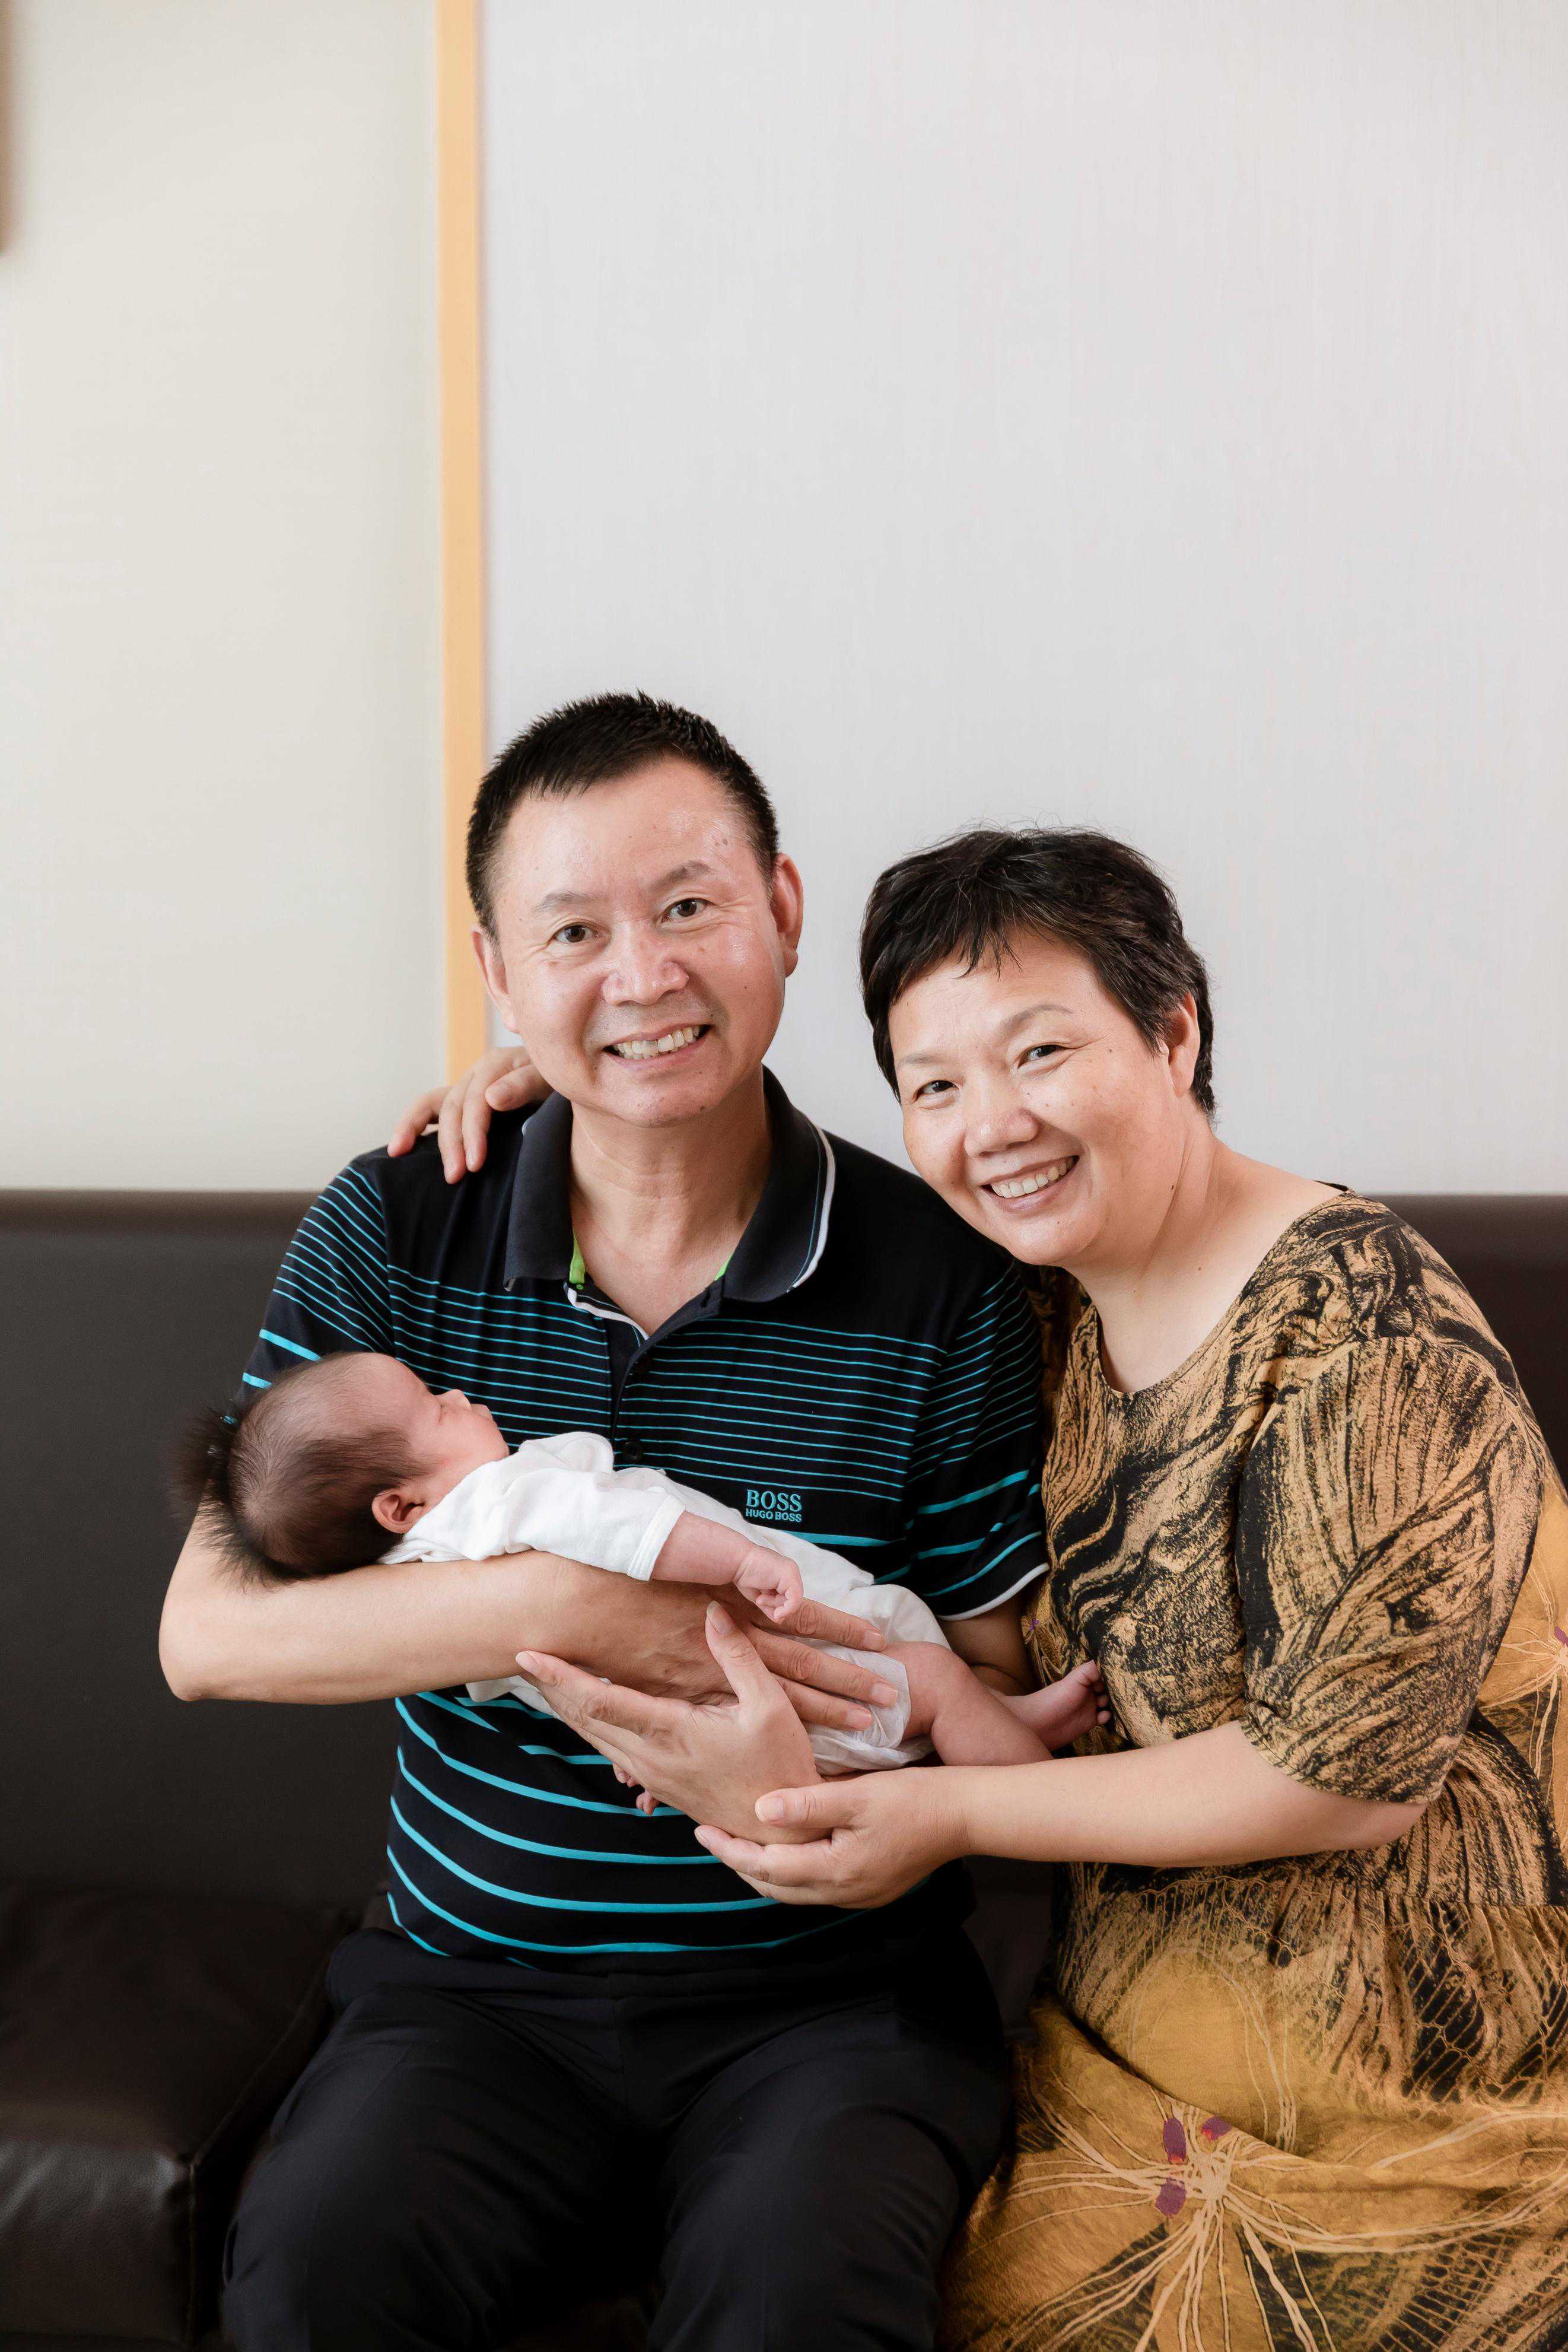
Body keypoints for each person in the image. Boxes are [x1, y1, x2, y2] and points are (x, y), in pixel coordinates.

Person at [472, 826, 1568, 2352]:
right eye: (933, 1084)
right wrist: (560, 1088)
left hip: (1396, 2099)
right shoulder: (1045, 1292)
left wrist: (948, 1812)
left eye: (1039, 1050)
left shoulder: (1363, 1338)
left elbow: (1339, 1779)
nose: (992, 1123)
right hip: (1119, 2063)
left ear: (1172, 1029)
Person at [160, 694, 1059, 2352]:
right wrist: (565, 1605)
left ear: (782, 908)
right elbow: (208, 1633)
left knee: (799, 2303)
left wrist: (800, 1799)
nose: (641, 976)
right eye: (573, 931)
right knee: (313, 2273)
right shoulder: (399, 1220)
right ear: (498, 971)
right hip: (474, 1990)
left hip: (830, 2001)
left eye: (688, 905)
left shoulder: (941, 1281)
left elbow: (991, 1699)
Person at [175, 1349, 1110, 1775]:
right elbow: (632, 1530)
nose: (459, 1393)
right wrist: (740, 1560)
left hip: (727, 1735)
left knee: (926, 1691)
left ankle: (1007, 1720)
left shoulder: (415, 1579)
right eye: (435, 1406)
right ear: (401, 1506)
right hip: (790, 1674)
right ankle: (1037, 1785)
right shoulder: (503, 1502)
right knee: (932, 1682)